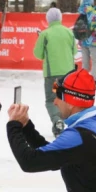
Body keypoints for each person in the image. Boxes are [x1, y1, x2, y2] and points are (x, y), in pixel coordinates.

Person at [33, 8, 76, 138]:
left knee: (52, 100)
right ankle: (70, 122)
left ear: (48, 19)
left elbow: (37, 54)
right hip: (68, 74)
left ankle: (57, 121)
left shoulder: (45, 34)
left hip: (53, 76)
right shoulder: (69, 32)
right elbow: (74, 51)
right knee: (66, 98)